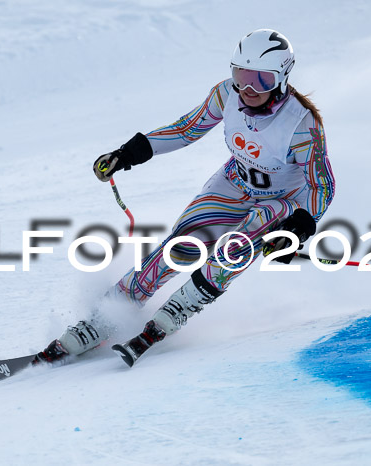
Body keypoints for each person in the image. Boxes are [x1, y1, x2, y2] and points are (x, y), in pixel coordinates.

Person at [33, 29, 335, 367]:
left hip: (281, 200)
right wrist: (128, 153)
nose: (248, 90)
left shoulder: (301, 125)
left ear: (281, 79)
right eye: (241, 76)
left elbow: (322, 185)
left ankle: (178, 309)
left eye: (261, 81)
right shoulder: (226, 95)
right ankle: (102, 319)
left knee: (237, 243)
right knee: (181, 246)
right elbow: (185, 129)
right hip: (234, 183)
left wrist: (300, 227)